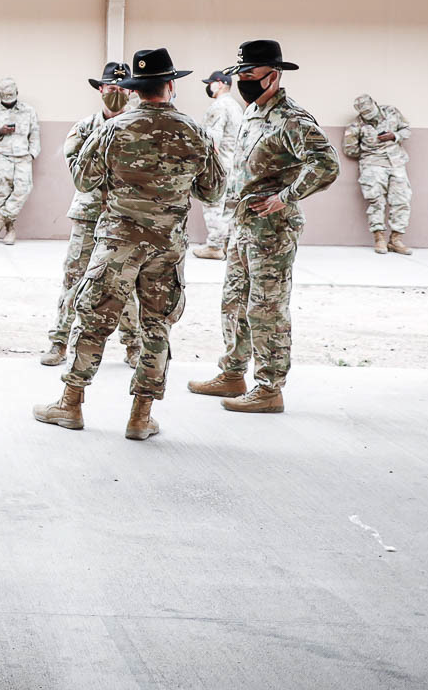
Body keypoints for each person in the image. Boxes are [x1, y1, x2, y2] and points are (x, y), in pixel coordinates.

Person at [34, 48, 223, 441]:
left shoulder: (112, 129)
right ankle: (140, 416)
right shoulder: (195, 132)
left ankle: (70, 404)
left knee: (94, 320)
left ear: (135, 90)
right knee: (156, 326)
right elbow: (213, 191)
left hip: (117, 242)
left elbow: (84, 180)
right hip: (167, 245)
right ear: (170, 85)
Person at [190, 40, 339, 413]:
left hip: (272, 230)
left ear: (273, 76)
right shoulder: (252, 112)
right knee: (234, 303)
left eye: (250, 75)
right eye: (240, 75)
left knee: (266, 308)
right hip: (243, 226)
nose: (243, 81)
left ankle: (269, 388)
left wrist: (285, 197)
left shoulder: (292, 119)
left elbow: (326, 164)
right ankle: (233, 373)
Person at [43, 62, 140, 367]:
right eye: (111, 88)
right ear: (101, 90)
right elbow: (79, 175)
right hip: (88, 215)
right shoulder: (84, 128)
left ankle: (133, 345)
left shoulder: (139, 127)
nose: (117, 93)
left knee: (124, 282)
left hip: (125, 217)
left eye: (122, 89)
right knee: (74, 277)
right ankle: (59, 342)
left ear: (132, 92)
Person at [343, 93, 413, 255]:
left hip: (396, 163)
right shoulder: (355, 126)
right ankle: (379, 238)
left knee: (402, 200)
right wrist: (370, 152)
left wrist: (394, 136)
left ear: (375, 103)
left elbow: (406, 130)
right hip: (372, 165)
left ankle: (396, 240)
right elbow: (350, 149)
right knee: (376, 201)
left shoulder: (392, 112)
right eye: (366, 114)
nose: (370, 116)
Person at [0, 76, 39, 244]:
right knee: (3, 193)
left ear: (17, 92)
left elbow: (35, 134)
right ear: (0, 95)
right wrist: (0, 132)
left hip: (23, 156)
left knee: (24, 189)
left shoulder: (28, 111)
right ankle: (10, 230)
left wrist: (32, 154)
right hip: (2, 156)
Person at [193, 71, 245, 260]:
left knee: (213, 204)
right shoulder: (236, 107)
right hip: (235, 166)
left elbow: (212, 141)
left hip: (219, 165)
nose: (209, 87)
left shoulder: (219, 106)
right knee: (229, 208)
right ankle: (227, 245)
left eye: (210, 83)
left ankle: (214, 246)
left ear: (220, 83)